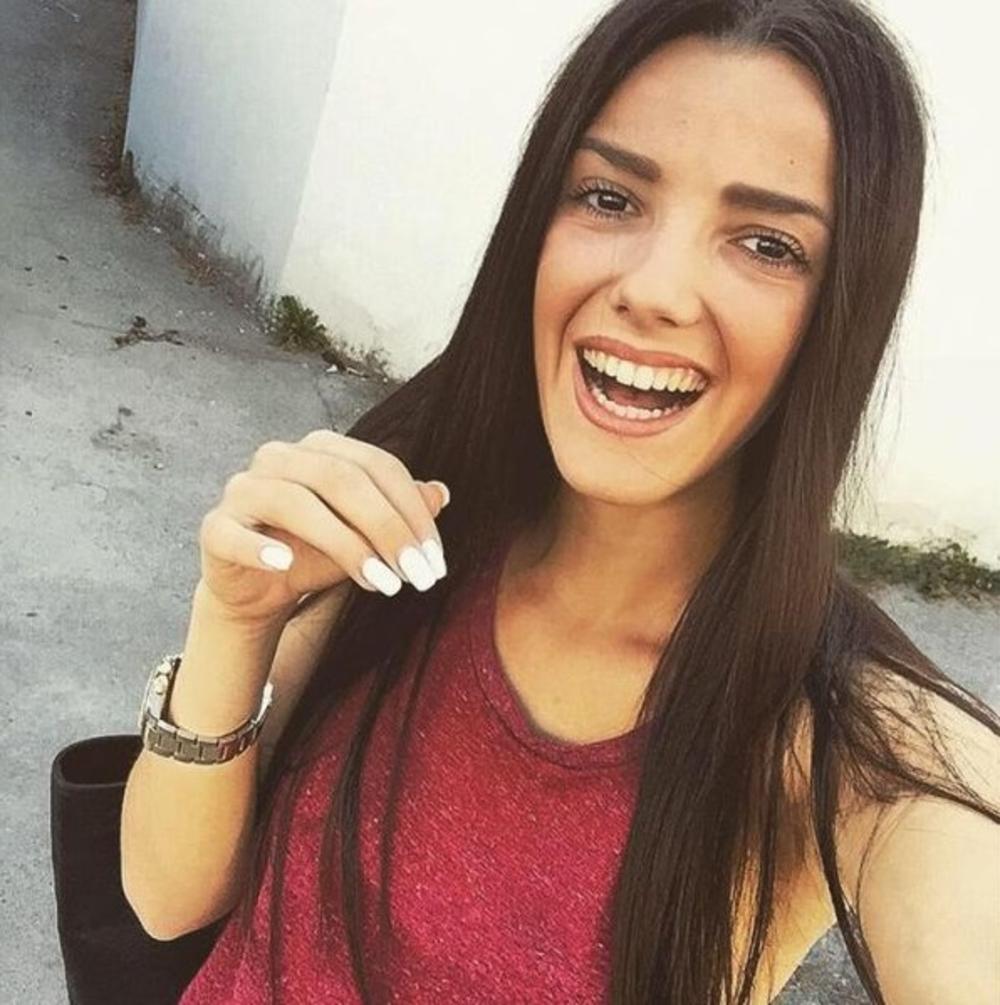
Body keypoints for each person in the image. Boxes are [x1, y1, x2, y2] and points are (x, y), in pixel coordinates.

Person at [120, 1, 1000, 1002]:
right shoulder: (406, 511)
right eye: (610, 198)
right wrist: (234, 622)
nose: (655, 290)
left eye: (766, 244)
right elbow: (166, 899)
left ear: (840, 308)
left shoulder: (836, 734)